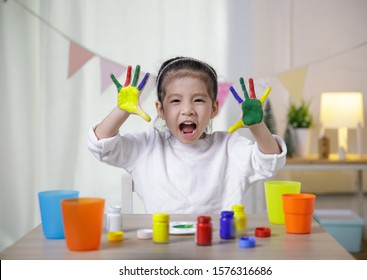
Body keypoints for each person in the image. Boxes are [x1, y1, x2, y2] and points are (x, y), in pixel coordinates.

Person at [88, 56, 287, 214]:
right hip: (162, 247)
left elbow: (270, 163)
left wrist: (257, 126)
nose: (188, 110)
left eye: (198, 100)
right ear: (161, 110)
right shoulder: (148, 146)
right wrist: (121, 110)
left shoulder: (229, 146)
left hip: (219, 245)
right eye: (176, 101)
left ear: (214, 108)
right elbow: (101, 146)